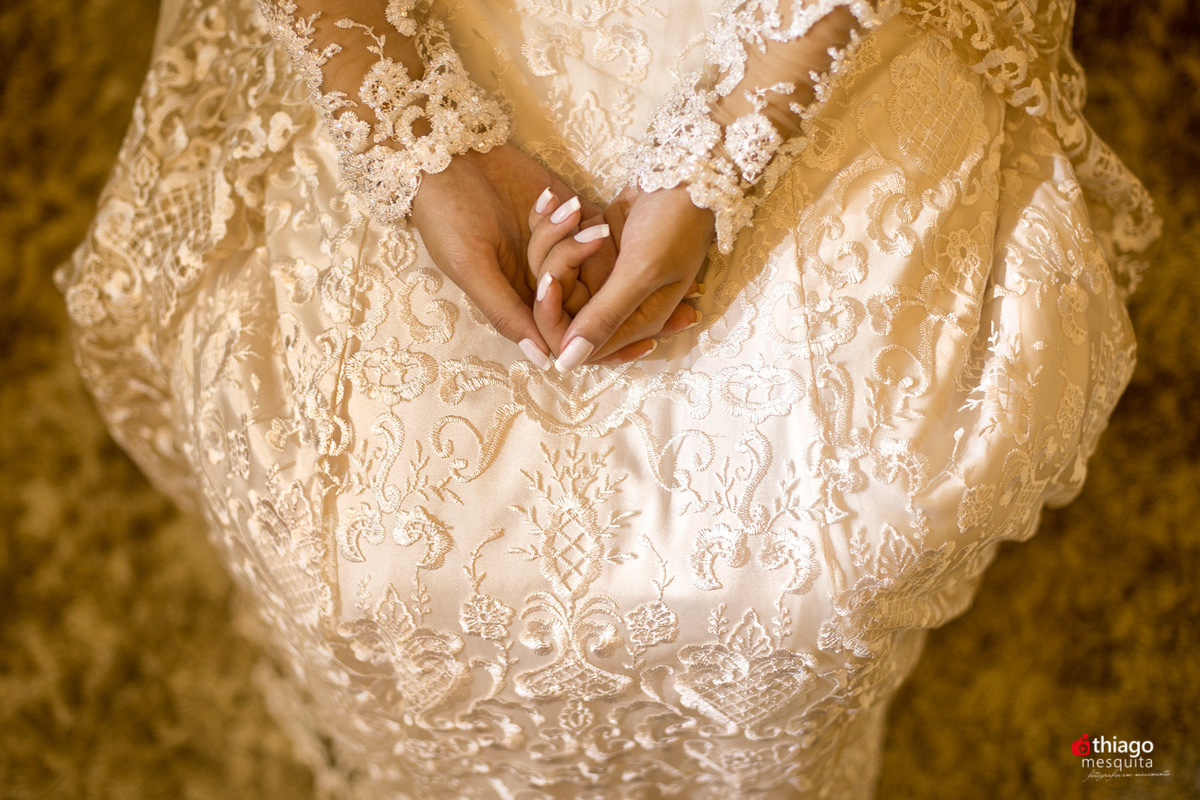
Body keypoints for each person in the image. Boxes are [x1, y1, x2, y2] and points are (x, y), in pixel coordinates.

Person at [57, 0, 1159, 796]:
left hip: (792, 28)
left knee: (821, 547)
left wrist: (725, 152)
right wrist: (419, 142)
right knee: (350, 535)